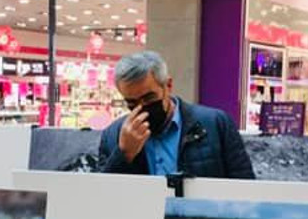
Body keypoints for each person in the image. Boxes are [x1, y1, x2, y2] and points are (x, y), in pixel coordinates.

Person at [98, 51, 253, 179]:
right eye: (132, 102)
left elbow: (244, 186)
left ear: (168, 85)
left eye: (149, 98)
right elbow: (104, 198)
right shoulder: (113, 135)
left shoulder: (216, 124)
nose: (141, 107)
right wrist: (124, 154)